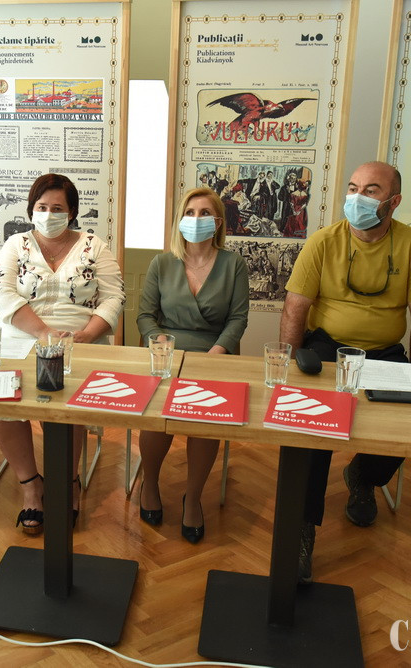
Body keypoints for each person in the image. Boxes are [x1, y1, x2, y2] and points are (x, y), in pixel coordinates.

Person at [279, 161, 411, 583]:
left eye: (370, 190)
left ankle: (363, 476)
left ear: (393, 202)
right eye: (353, 188)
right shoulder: (323, 241)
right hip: (327, 348)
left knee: (408, 424)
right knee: (313, 430)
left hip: (385, 353)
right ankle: (302, 528)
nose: (357, 198)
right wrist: (291, 371)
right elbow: (295, 308)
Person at [0, 173, 125, 534]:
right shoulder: (16, 244)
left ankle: (68, 483)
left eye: (58, 208)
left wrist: (85, 336)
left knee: (66, 407)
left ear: (72, 212)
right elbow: (1, 291)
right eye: (42, 206)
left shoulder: (95, 245)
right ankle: (31, 485)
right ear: (31, 209)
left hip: (81, 342)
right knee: (0, 404)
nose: (49, 214)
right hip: (20, 338)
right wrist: (43, 333)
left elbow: (114, 297)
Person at [136, 188, 249, 543]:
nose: (196, 219)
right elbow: (145, 316)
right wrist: (159, 342)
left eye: (204, 213)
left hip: (213, 354)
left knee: (205, 418)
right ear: (179, 219)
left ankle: (194, 496)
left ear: (218, 222)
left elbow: (238, 318)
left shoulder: (234, 264)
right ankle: (149, 483)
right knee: (157, 414)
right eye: (190, 212)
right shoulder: (161, 263)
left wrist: (217, 352)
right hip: (165, 354)